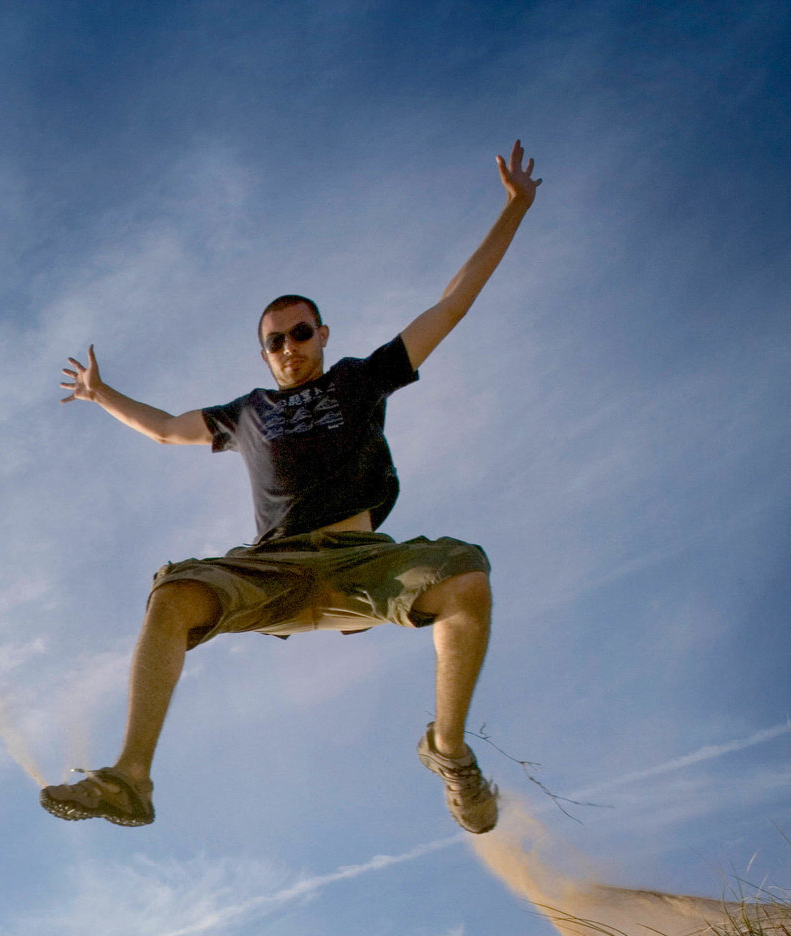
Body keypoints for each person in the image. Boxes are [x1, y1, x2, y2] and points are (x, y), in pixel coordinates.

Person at [42, 142, 541, 835]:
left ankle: (450, 752)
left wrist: (514, 210)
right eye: (275, 340)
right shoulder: (246, 412)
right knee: (172, 592)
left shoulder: (359, 380)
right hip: (271, 569)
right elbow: (163, 429)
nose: (289, 347)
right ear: (264, 353)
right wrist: (101, 395)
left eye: (300, 333)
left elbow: (451, 306)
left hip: (359, 564)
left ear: (322, 334)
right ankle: (130, 776)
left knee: (466, 577)